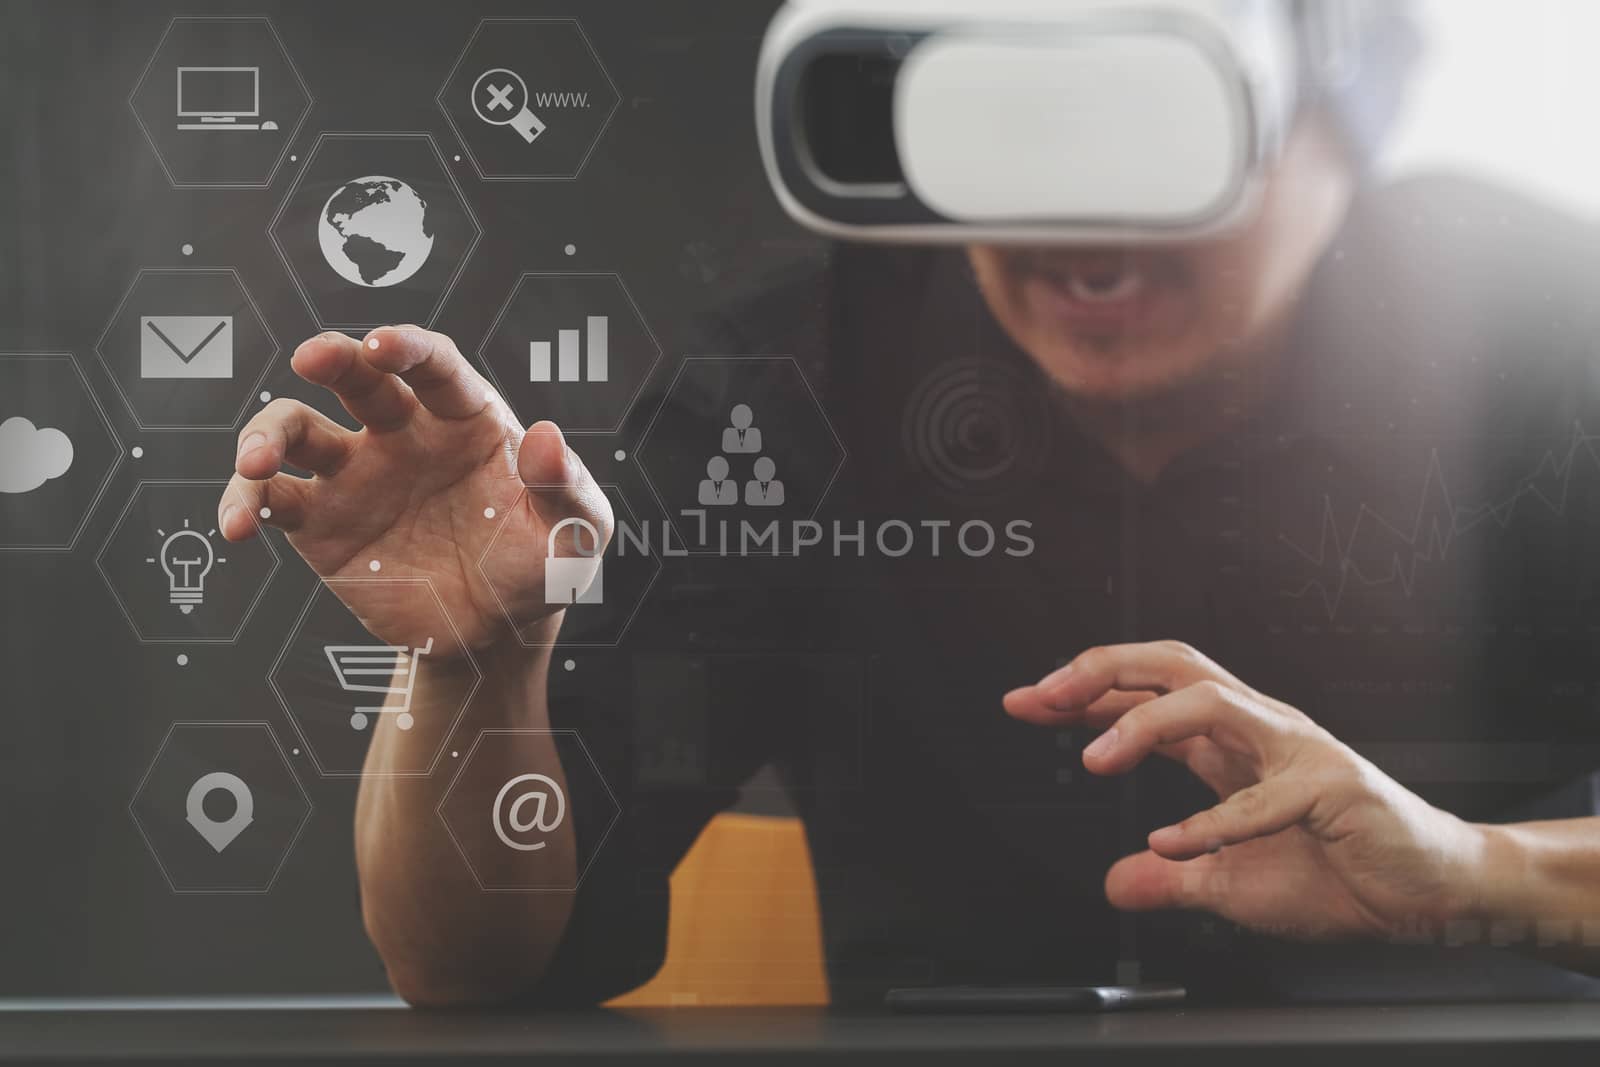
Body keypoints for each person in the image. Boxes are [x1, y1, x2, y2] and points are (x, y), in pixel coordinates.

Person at [219, 38, 1600, 1010]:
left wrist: (1474, 873)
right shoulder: (801, 375)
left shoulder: (1555, 327)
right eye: (1011, 119)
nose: (1081, 205)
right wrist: (473, 663)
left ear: (1338, 113)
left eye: (1163, 110)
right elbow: (470, 969)